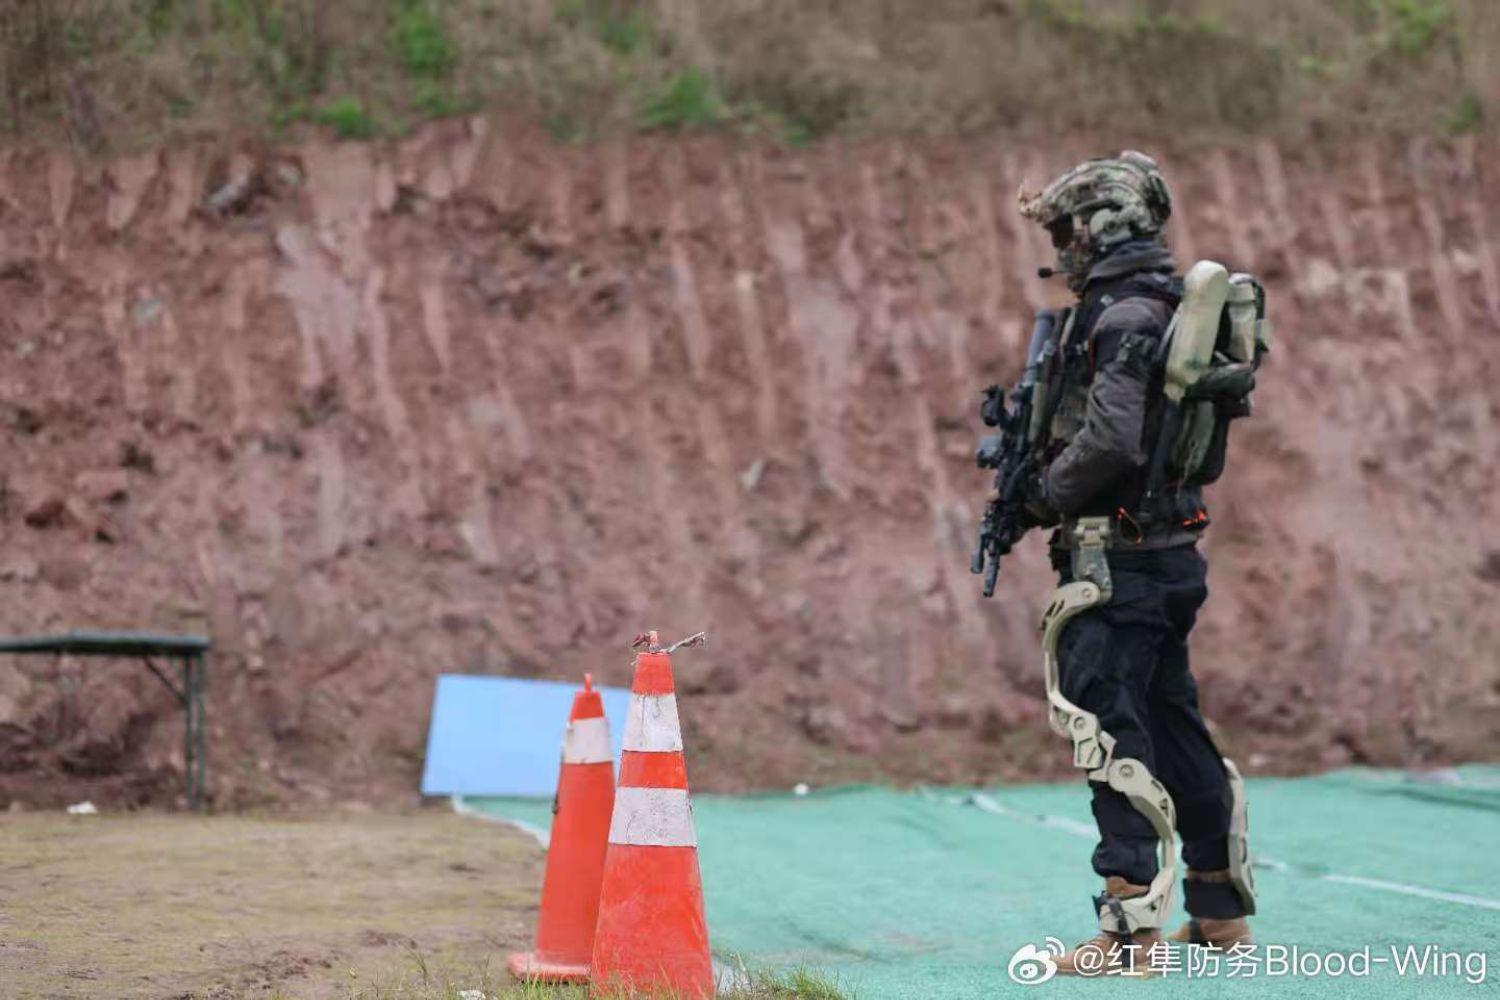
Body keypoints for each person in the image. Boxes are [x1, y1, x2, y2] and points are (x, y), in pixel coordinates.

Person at [1015, 151, 1260, 976]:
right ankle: (1219, 909)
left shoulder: (1121, 315)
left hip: (1115, 562)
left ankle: (1129, 930)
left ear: (1097, 225)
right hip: (1167, 555)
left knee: (1106, 730)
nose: (1061, 245)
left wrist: (1043, 491)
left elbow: (1113, 437)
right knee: (1173, 722)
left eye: (1064, 228)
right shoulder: (1161, 306)